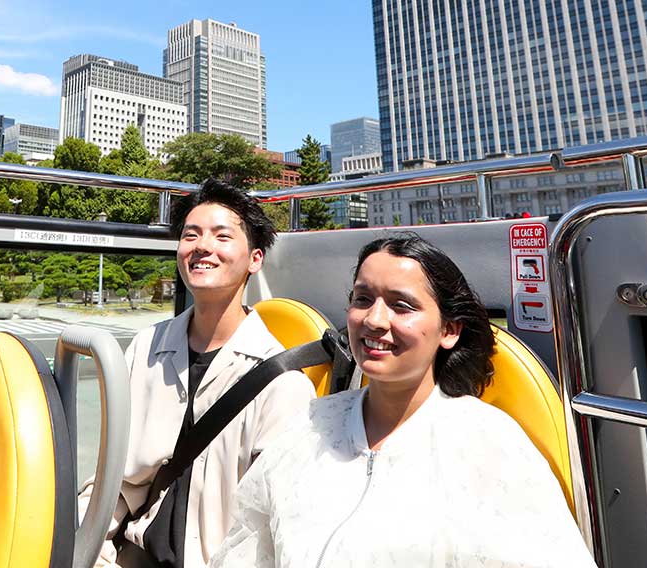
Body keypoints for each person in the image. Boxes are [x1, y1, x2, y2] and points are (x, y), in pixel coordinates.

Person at [210, 234, 596, 568]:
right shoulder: (310, 424)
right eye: (363, 299)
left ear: (449, 330)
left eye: (401, 305)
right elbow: (248, 543)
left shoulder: (491, 444)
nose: (374, 320)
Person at [80, 178, 316, 567]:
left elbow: (272, 524)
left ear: (255, 259)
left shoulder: (283, 384)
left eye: (222, 236)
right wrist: (83, 547)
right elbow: (112, 478)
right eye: (191, 235)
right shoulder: (145, 348)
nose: (202, 246)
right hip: (123, 555)